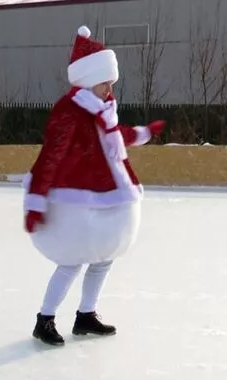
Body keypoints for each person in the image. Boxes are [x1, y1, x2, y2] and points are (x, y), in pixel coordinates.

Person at [23, 26, 166, 346]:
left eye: (112, 82)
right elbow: (51, 155)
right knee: (73, 260)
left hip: (110, 192)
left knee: (104, 257)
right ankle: (44, 319)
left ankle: (86, 314)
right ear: (88, 79)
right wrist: (36, 200)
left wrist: (142, 133)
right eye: (105, 82)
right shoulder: (69, 111)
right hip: (75, 197)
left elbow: (114, 136)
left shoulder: (104, 109)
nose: (110, 88)